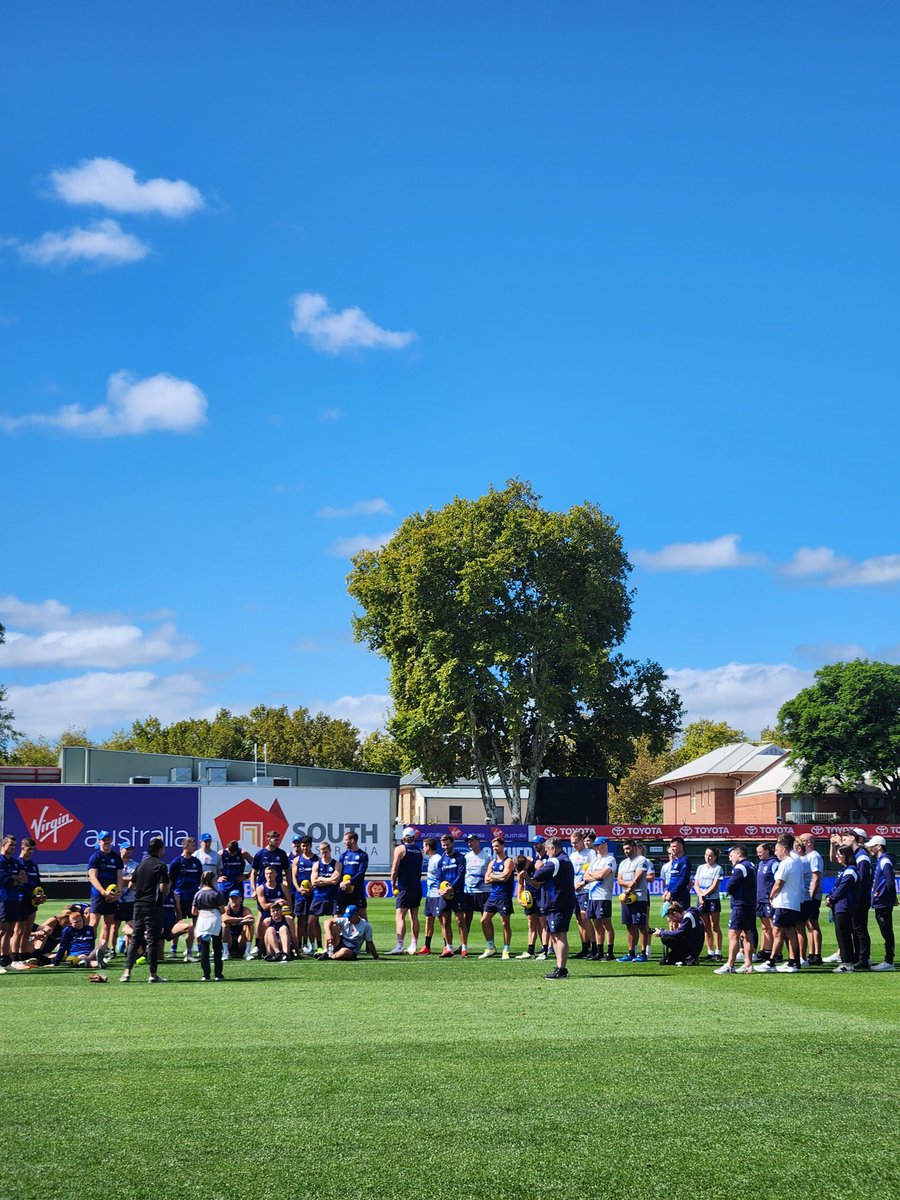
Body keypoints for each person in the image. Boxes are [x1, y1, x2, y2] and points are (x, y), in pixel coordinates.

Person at [120, 835, 170, 983]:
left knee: (135, 938)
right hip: (153, 906)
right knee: (153, 940)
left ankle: (127, 972)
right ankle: (153, 974)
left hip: (138, 905)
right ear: (159, 849)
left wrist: (142, 888)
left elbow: (131, 885)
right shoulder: (161, 866)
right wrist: (165, 890)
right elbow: (163, 888)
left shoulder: (140, 865)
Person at [754, 833, 804, 973]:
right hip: (791, 902)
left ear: (783, 849)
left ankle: (771, 961)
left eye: (776, 850)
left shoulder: (786, 863)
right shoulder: (794, 861)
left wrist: (771, 896)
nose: (775, 853)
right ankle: (793, 962)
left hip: (784, 902)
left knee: (778, 931)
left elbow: (778, 883)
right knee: (790, 931)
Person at [530, 836, 576, 979]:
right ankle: (559, 966)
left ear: (553, 848)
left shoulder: (555, 860)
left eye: (547, 850)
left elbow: (538, 875)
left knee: (559, 935)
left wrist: (538, 866)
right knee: (555, 935)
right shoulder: (565, 859)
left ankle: (562, 969)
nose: (546, 852)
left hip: (558, 902)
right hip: (559, 902)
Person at [714, 845, 757, 974]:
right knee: (747, 934)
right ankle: (748, 964)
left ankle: (730, 964)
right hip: (750, 904)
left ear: (739, 854)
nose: (729, 857)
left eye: (731, 854)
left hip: (740, 905)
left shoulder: (740, 867)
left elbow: (731, 884)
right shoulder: (752, 865)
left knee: (734, 934)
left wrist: (730, 892)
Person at [87, 830, 124, 966]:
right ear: (99, 841)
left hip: (112, 896)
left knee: (108, 923)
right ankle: (90, 948)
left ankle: (102, 949)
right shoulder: (95, 857)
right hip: (98, 895)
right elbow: (93, 877)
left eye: (108, 840)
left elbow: (119, 877)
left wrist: (118, 893)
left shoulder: (116, 858)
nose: (106, 842)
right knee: (94, 922)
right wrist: (103, 892)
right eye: (104, 840)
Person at [388, 827, 423, 955]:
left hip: (405, 886)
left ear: (403, 837)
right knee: (414, 916)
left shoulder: (400, 849)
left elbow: (394, 869)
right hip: (416, 886)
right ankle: (413, 945)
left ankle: (399, 945)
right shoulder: (419, 851)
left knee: (400, 916)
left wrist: (393, 884)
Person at [824, 845, 858, 973]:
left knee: (843, 935)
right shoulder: (844, 870)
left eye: (840, 854)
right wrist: (830, 897)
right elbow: (837, 887)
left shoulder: (851, 871)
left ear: (846, 856)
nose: (837, 856)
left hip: (845, 906)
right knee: (841, 934)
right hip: (840, 906)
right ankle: (846, 961)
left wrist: (831, 898)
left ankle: (847, 963)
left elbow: (843, 888)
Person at [168, 837, 203, 962]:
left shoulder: (196, 862)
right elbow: (170, 881)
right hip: (179, 898)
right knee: (177, 922)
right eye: (192, 845)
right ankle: (173, 949)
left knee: (196, 923)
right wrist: (171, 895)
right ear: (185, 846)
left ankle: (195, 950)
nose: (194, 847)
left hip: (193, 898)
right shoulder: (176, 862)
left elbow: (200, 880)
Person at [616, 839, 651, 963]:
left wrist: (626, 891)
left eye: (628, 848)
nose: (626, 851)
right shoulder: (623, 863)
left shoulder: (641, 861)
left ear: (635, 848)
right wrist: (627, 885)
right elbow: (619, 880)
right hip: (627, 898)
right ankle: (631, 952)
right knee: (629, 925)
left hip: (639, 897)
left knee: (641, 925)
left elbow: (637, 879)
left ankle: (643, 953)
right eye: (624, 849)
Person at [480, 836, 514, 959]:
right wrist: (497, 877)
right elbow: (486, 879)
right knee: (484, 920)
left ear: (502, 846)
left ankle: (506, 949)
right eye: (493, 846)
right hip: (493, 896)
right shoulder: (492, 862)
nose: (495, 848)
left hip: (504, 897)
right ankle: (490, 947)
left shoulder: (508, 861)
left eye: (497, 846)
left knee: (505, 923)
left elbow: (505, 877)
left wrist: (493, 876)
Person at [583, 835, 616, 961]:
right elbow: (586, 876)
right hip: (592, 894)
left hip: (603, 895)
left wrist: (594, 875)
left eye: (599, 845)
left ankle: (610, 951)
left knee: (606, 923)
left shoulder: (610, 859)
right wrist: (594, 876)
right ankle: (599, 951)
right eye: (596, 845)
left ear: (605, 845)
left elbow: (603, 875)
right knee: (596, 924)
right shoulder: (595, 860)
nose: (597, 847)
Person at [866, 835, 896, 971]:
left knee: (886, 931)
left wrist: (892, 898)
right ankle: (888, 960)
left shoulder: (884, 861)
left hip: (883, 901)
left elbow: (890, 881)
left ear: (879, 846)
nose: (870, 849)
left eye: (872, 846)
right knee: (885, 931)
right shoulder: (880, 861)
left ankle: (889, 961)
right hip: (881, 900)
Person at [436, 833, 466, 957]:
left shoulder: (460, 858)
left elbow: (461, 875)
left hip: (457, 893)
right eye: (443, 845)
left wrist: (450, 888)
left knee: (460, 920)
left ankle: (464, 947)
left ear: (452, 844)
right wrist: (440, 889)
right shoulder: (441, 860)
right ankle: (449, 947)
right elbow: (438, 877)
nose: (445, 847)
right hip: (444, 895)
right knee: (445, 920)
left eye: (447, 844)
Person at [192, 870, 226, 981]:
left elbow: (193, 911)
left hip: (202, 919)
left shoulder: (198, 893)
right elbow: (222, 910)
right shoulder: (216, 893)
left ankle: (206, 974)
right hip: (214, 918)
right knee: (217, 947)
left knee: (204, 948)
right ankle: (218, 974)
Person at [461, 833, 492, 953]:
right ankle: (464, 945)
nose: (470, 843)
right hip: (469, 892)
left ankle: (490, 944)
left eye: (472, 841)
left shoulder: (487, 856)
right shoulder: (466, 857)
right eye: (468, 841)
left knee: (486, 919)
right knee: (466, 919)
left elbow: (490, 873)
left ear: (478, 841)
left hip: (484, 891)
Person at [0, 834, 27, 971]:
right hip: (3, 899)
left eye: (14, 845)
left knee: (10, 930)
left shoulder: (15, 862)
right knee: (2, 930)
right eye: (11, 845)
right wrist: (15, 878)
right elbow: (5, 880)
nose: (13, 847)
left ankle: (5, 960)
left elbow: (24, 878)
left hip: (14, 899)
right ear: (3, 844)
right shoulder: (1, 860)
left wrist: (15, 878)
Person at [848, 829, 873, 971]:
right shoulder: (858, 855)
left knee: (860, 929)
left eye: (845, 839)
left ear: (853, 838)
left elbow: (863, 881)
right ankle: (860, 956)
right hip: (858, 897)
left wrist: (856, 898)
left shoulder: (862, 856)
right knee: (856, 929)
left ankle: (864, 958)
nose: (843, 842)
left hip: (860, 898)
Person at [797, 834, 824, 965]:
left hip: (812, 894)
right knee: (808, 924)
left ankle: (816, 954)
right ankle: (812, 953)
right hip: (807, 894)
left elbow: (816, 877)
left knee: (813, 923)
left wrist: (811, 895)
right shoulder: (807, 857)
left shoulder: (814, 856)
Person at [693, 847, 724, 961]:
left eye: (710, 855)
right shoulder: (700, 868)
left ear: (715, 856)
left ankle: (718, 952)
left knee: (715, 925)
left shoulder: (718, 868)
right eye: (706, 855)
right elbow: (695, 884)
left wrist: (704, 895)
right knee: (706, 927)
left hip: (712, 899)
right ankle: (710, 952)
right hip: (701, 898)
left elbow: (714, 885)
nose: (708, 857)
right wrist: (700, 895)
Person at [310, 841, 341, 953]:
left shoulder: (337, 864)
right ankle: (318, 946)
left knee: (337, 922)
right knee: (311, 921)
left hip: (333, 897)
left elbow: (335, 880)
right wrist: (326, 880)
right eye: (322, 852)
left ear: (330, 851)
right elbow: (313, 882)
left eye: (326, 852)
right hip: (318, 897)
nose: (324, 855)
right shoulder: (316, 864)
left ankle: (336, 945)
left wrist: (321, 879)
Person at [514, 853, 546, 959]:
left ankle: (544, 951)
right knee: (531, 923)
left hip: (541, 896)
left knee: (543, 924)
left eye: (524, 868)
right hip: (529, 897)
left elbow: (538, 884)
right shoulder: (521, 866)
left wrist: (527, 877)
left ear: (528, 862)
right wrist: (519, 898)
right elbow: (520, 884)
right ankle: (530, 951)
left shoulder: (538, 865)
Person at [290, 834, 318, 953]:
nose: (305, 848)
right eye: (303, 846)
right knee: (300, 920)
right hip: (300, 894)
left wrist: (312, 887)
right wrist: (298, 889)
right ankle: (299, 945)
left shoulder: (316, 860)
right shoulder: (297, 860)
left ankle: (311, 944)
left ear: (311, 846)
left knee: (311, 921)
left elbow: (319, 876)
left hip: (313, 894)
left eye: (307, 846)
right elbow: (294, 877)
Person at [569, 829, 594, 959]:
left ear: (582, 839)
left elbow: (593, 870)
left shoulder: (590, 853)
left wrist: (583, 882)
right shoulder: (572, 856)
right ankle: (585, 946)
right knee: (579, 919)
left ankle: (594, 946)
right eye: (572, 843)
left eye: (576, 842)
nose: (574, 845)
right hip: (575, 891)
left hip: (586, 889)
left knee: (585, 917)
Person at [112, 841, 137, 958]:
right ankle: (112, 949)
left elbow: (136, 880)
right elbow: (114, 880)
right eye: (127, 849)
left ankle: (129, 949)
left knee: (131, 926)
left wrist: (122, 880)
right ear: (121, 849)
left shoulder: (135, 865)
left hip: (130, 900)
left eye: (131, 849)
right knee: (114, 925)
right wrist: (126, 880)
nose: (129, 851)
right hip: (116, 899)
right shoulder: (115, 862)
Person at [417, 836, 441, 955]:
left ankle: (447, 945)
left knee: (442, 921)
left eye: (424, 846)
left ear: (428, 847)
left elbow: (442, 877)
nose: (423, 849)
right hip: (430, 895)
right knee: (428, 919)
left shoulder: (437, 859)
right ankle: (427, 946)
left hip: (438, 895)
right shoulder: (431, 859)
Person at [338, 830, 369, 918]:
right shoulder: (343, 856)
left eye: (346, 840)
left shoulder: (363, 855)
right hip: (344, 891)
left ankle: (366, 932)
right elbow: (339, 872)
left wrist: (349, 882)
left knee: (362, 917)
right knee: (344, 917)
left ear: (352, 840)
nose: (344, 842)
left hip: (358, 890)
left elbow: (361, 872)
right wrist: (342, 883)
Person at [255, 864, 287, 950]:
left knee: (290, 920)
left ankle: (293, 949)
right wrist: (277, 902)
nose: (269, 875)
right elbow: (264, 906)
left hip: (281, 915)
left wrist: (284, 903)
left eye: (271, 873)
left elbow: (289, 904)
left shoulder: (283, 887)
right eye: (267, 874)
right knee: (266, 922)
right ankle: (262, 949)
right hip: (268, 916)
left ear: (276, 874)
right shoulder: (260, 888)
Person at [755, 842, 778, 961]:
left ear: (767, 851)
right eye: (757, 852)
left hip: (769, 899)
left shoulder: (773, 863)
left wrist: (772, 896)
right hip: (760, 899)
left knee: (773, 925)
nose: (758, 854)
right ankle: (766, 950)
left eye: (760, 851)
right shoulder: (760, 863)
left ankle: (776, 951)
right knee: (764, 927)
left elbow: (778, 880)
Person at [250, 830, 291, 895]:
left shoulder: (282, 854)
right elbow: (253, 873)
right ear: (269, 840)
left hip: (278, 889)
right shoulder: (260, 854)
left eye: (278, 840)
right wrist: (253, 890)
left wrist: (289, 888)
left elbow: (287, 872)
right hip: (263, 889)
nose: (277, 842)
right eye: (275, 840)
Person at [222, 889, 255, 960]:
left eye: (236, 898)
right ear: (229, 899)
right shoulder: (226, 909)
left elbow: (252, 919)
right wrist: (242, 919)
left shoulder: (245, 910)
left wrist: (234, 922)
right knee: (224, 925)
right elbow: (225, 919)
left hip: (241, 939)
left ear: (241, 899)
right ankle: (225, 952)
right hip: (229, 939)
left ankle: (247, 951)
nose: (234, 900)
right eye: (232, 898)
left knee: (249, 925)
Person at [663, 837, 691, 909]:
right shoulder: (675, 861)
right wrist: (667, 890)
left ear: (681, 847)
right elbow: (672, 880)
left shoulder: (684, 860)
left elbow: (683, 879)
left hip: (681, 896)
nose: (672, 848)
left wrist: (671, 892)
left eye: (674, 846)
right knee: (671, 919)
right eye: (671, 846)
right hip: (673, 895)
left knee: (680, 918)